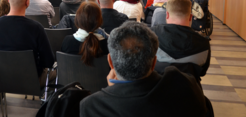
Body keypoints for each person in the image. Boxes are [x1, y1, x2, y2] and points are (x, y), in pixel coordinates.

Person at [80, 21, 209, 117]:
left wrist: (114, 91)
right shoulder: (186, 86)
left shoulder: (91, 106)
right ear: (154, 62)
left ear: (110, 62)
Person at [0, 0, 55, 86]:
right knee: (57, 72)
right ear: (27, 2)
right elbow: (49, 61)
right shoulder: (36, 28)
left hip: (0, 78)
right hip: (30, 81)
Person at [151, 0, 211, 76]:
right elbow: (202, 72)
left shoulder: (150, 36)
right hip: (189, 87)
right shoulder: (204, 45)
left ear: (167, 15)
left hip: (155, 87)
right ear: (190, 17)